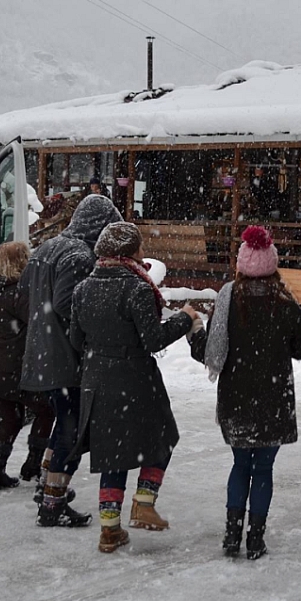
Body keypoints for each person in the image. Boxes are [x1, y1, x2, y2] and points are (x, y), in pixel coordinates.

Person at [68, 222, 200, 553]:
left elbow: (75, 338)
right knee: (162, 438)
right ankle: (144, 502)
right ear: (130, 251)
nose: (143, 253)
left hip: (97, 380)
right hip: (135, 379)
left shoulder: (83, 288)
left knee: (111, 454)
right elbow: (153, 339)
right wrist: (184, 318)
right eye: (139, 247)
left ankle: (109, 530)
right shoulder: (136, 289)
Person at [189, 226, 301, 559]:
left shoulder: (228, 298)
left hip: (236, 398)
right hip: (274, 401)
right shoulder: (285, 301)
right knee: (264, 470)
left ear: (242, 264)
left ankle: (231, 537)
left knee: (240, 465)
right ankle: (255, 538)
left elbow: (211, 351)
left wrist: (194, 332)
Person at [20, 194, 123, 528]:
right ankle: (53, 503)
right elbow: (67, 303)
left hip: (41, 350)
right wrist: (95, 326)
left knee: (63, 421)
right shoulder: (79, 255)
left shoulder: (48, 247)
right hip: (65, 357)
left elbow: (26, 294)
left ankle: (47, 484)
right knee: (72, 430)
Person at [0, 242, 56, 489]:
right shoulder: (18, 294)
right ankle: (32, 466)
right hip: (13, 369)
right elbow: (42, 322)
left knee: (11, 417)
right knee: (46, 411)